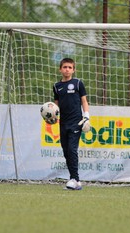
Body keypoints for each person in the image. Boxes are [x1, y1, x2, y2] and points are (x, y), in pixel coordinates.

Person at [53, 58, 91, 190]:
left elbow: (84, 101)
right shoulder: (56, 86)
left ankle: (75, 179)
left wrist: (86, 116)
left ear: (73, 70)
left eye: (70, 67)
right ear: (60, 69)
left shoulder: (78, 83)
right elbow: (56, 106)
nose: (67, 69)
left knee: (72, 149)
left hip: (76, 122)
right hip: (63, 123)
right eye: (64, 67)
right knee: (66, 151)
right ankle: (75, 180)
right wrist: (53, 116)